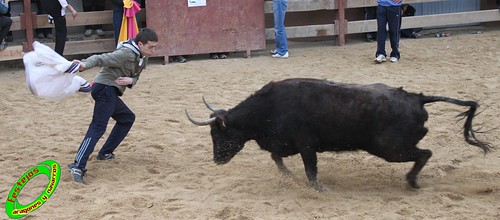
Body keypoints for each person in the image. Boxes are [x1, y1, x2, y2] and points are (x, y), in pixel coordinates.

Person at [68, 28, 158, 184]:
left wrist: (131, 81)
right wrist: (84, 64)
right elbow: (100, 58)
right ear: (140, 44)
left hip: (110, 92)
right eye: (151, 47)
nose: (154, 50)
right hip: (104, 89)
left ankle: (105, 153)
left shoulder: (143, 56)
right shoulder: (126, 53)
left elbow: (135, 76)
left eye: (155, 46)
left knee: (127, 118)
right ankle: (77, 165)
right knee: (98, 127)